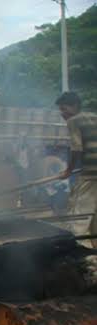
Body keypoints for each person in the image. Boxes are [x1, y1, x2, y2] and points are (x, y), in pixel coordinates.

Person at [56, 91, 97, 245]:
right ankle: (94, 250)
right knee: (95, 214)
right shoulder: (94, 117)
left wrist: (68, 171)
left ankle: (78, 248)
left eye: (64, 109)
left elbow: (77, 148)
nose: (62, 113)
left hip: (91, 174)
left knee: (80, 212)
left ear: (75, 106)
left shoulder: (73, 121)